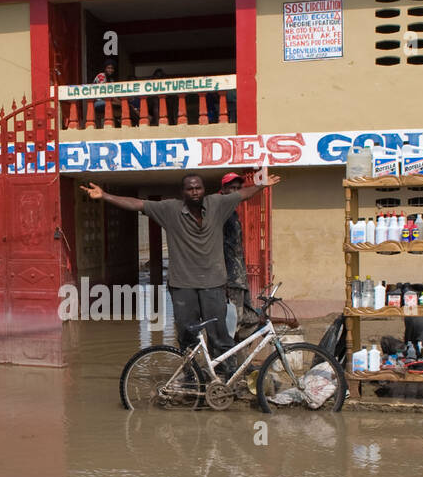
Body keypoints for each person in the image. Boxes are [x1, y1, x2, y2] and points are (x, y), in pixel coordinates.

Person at [80, 169, 281, 369]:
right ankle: (190, 377)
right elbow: (136, 203)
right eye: (190, 188)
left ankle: (226, 379)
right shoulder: (170, 210)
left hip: (214, 285)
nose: (194, 192)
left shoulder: (217, 204)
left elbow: (242, 194)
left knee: (220, 336)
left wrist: (262, 186)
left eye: (198, 188)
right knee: (187, 337)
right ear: (183, 192)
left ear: (204, 190)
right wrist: (104, 195)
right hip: (183, 287)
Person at [215, 172, 258, 336]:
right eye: (231, 188)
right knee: (234, 323)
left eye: (238, 188)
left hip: (239, 278)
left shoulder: (231, 212)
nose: (235, 191)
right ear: (223, 190)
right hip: (229, 279)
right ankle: (227, 359)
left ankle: (238, 358)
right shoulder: (219, 210)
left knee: (252, 319)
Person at [92, 59, 118, 127]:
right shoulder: (101, 76)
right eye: (108, 68)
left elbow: (113, 94)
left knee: (124, 105)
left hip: (107, 101)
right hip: (98, 102)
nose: (110, 70)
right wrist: (117, 101)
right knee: (119, 105)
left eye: (112, 68)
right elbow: (103, 94)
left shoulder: (111, 80)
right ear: (105, 68)